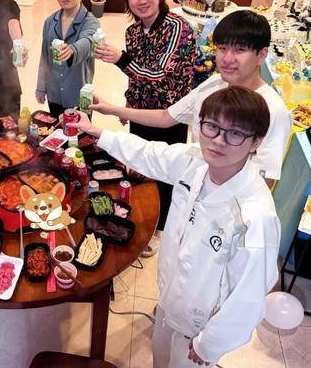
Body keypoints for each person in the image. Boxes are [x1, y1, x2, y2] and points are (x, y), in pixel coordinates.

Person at [70, 86, 280, 367]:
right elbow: (149, 153)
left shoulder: (255, 216)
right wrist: (98, 133)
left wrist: (210, 345)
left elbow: (249, 296)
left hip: (199, 329)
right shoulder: (195, 163)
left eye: (235, 133)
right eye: (211, 126)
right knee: (160, 359)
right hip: (170, 302)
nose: (218, 140)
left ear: (256, 142)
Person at [91, 10, 292, 189]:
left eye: (240, 50)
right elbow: (166, 116)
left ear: (261, 55)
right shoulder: (214, 84)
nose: (227, 58)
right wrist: (111, 109)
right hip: (193, 186)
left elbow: (265, 180)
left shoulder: (273, 110)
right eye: (222, 48)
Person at [93, 0, 197, 254]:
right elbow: (136, 77)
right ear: (127, 1)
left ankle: (159, 229)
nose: (142, 0)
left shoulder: (178, 28)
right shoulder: (134, 32)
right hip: (140, 112)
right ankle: (141, 216)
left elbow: (159, 74)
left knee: (165, 172)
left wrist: (120, 59)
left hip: (169, 115)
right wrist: (127, 105)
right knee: (140, 165)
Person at [36, 0, 100, 117]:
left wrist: (73, 49)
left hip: (79, 96)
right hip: (55, 94)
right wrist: (41, 86)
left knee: (80, 131)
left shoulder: (91, 22)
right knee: (56, 129)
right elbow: (45, 56)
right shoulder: (50, 22)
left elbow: (88, 41)